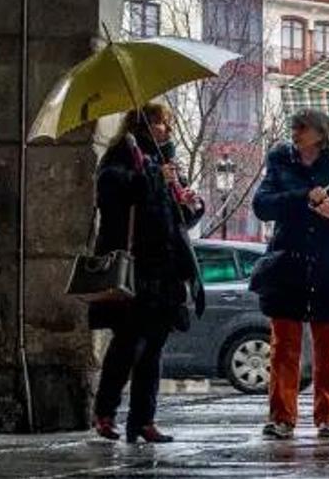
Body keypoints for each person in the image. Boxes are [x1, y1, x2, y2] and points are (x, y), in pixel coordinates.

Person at [252, 109, 329, 441]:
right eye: (294, 127)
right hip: (287, 267)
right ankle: (281, 417)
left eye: (302, 127)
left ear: (320, 134)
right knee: (283, 349)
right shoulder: (280, 163)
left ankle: (328, 415)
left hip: (328, 270)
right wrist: (302, 196)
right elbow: (262, 205)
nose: (295, 132)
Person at [90, 102, 205, 444]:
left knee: (154, 347)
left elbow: (178, 219)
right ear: (142, 125)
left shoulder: (166, 162)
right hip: (136, 266)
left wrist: (191, 203)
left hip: (165, 268)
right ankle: (105, 412)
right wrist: (154, 177)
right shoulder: (122, 157)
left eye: (168, 124)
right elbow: (112, 194)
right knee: (128, 344)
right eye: (160, 123)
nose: (167, 130)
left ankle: (143, 420)